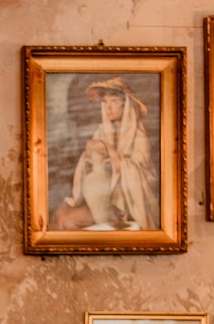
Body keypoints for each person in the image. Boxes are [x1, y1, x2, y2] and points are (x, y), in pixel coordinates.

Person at [52, 77, 159, 231]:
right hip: (103, 197)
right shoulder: (103, 130)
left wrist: (110, 150)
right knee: (60, 215)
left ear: (126, 104)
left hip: (127, 202)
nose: (108, 108)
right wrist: (89, 149)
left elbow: (140, 175)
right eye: (105, 102)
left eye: (114, 101)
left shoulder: (139, 134)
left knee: (69, 222)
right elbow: (89, 165)